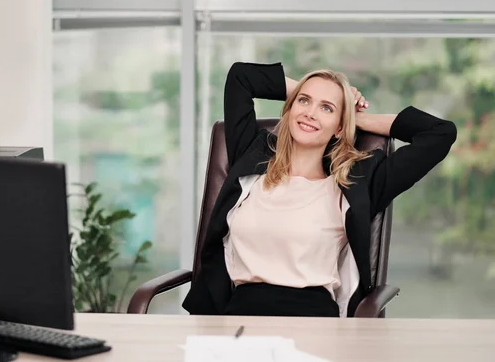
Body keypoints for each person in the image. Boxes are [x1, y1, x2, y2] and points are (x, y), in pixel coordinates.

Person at [182, 61, 457, 317]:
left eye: (326, 108)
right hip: (240, 317)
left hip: (314, 322)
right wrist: (315, 93)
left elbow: (439, 134)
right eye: (304, 101)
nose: (310, 113)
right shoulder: (251, 154)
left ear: (339, 127)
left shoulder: (359, 182)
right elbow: (241, 77)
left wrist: (352, 116)